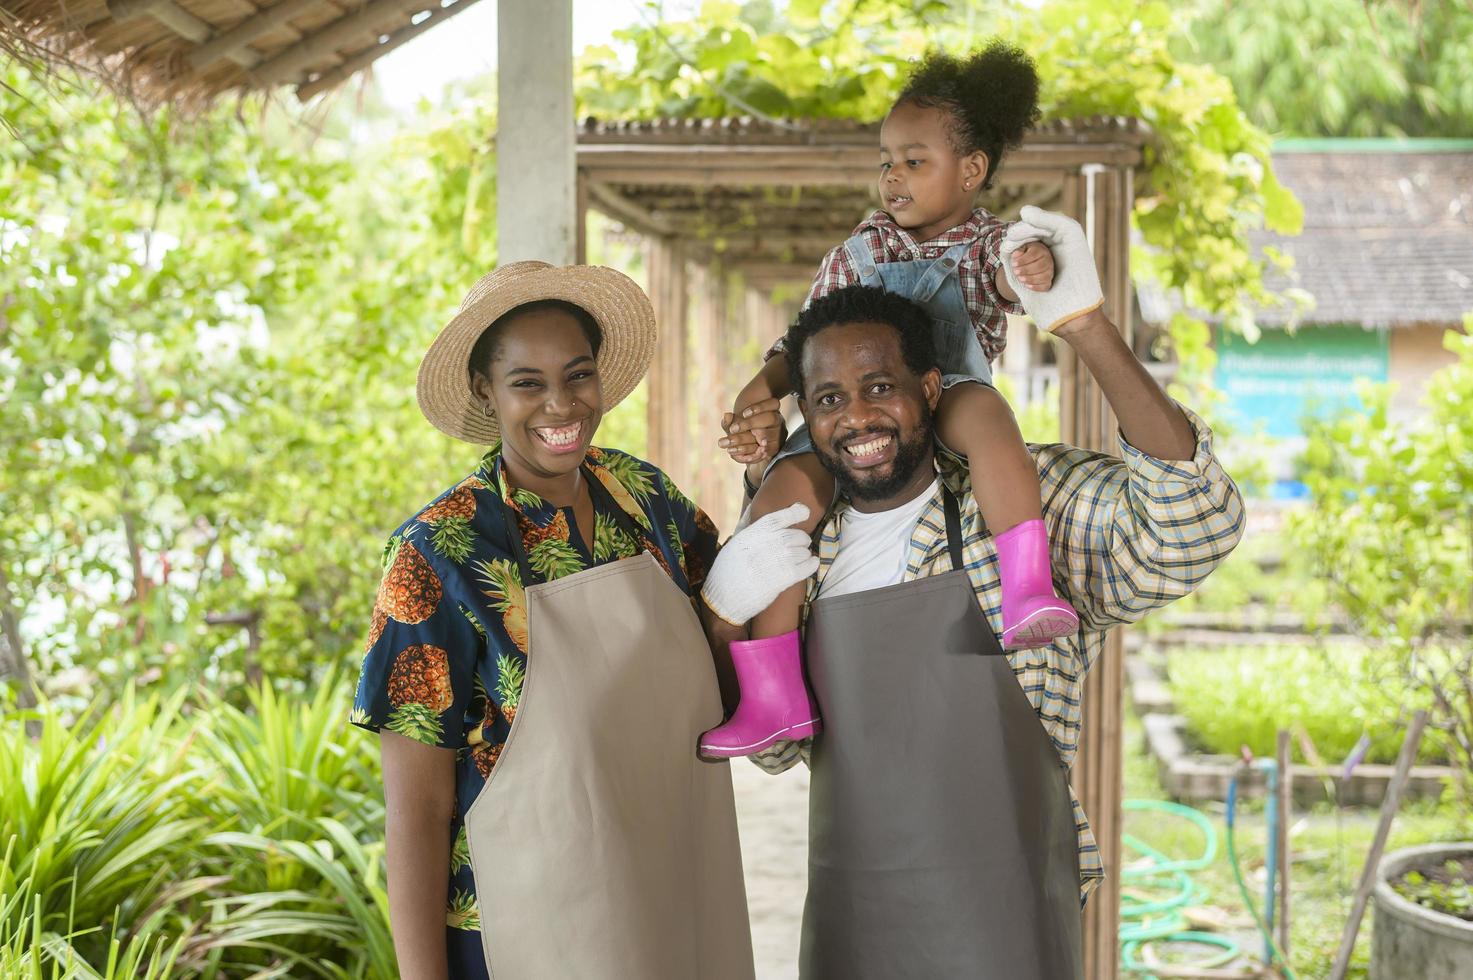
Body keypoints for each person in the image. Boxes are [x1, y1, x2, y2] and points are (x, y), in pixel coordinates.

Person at [747, 211, 1247, 979]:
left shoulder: (1019, 498)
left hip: (1005, 917)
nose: (857, 419)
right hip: (855, 920)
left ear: (930, 386)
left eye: (880, 388)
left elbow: (1193, 525)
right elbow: (776, 750)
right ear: (806, 416)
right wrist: (728, 606)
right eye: (828, 400)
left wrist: (1087, 331)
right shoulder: (801, 546)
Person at [350, 261, 815, 980]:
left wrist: (762, 486)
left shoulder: (646, 499)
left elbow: (722, 675)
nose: (560, 405)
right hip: (528, 925)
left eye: (577, 375)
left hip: (671, 889)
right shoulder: (438, 553)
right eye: (526, 383)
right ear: (485, 391)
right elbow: (415, 811)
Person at [700, 42, 1082, 759]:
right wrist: (759, 399)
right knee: (780, 506)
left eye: (913, 160)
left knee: (991, 420)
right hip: (848, 409)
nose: (892, 176)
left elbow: (1011, 282)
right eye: (885, 160)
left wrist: (1033, 268)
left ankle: (1029, 587)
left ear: (970, 171)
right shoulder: (858, 247)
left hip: (947, 393)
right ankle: (775, 694)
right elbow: (802, 343)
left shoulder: (986, 243)